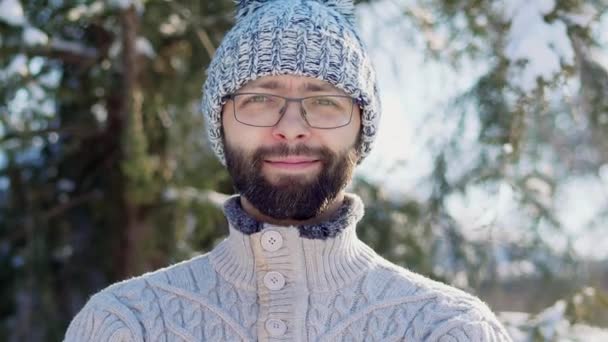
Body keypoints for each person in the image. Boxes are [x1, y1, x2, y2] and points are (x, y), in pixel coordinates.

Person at [65, 0, 513, 341]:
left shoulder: (448, 329)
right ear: (220, 124)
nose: (292, 129)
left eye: (324, 101)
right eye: (260, 98)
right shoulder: (127, 324)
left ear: (362, 128)